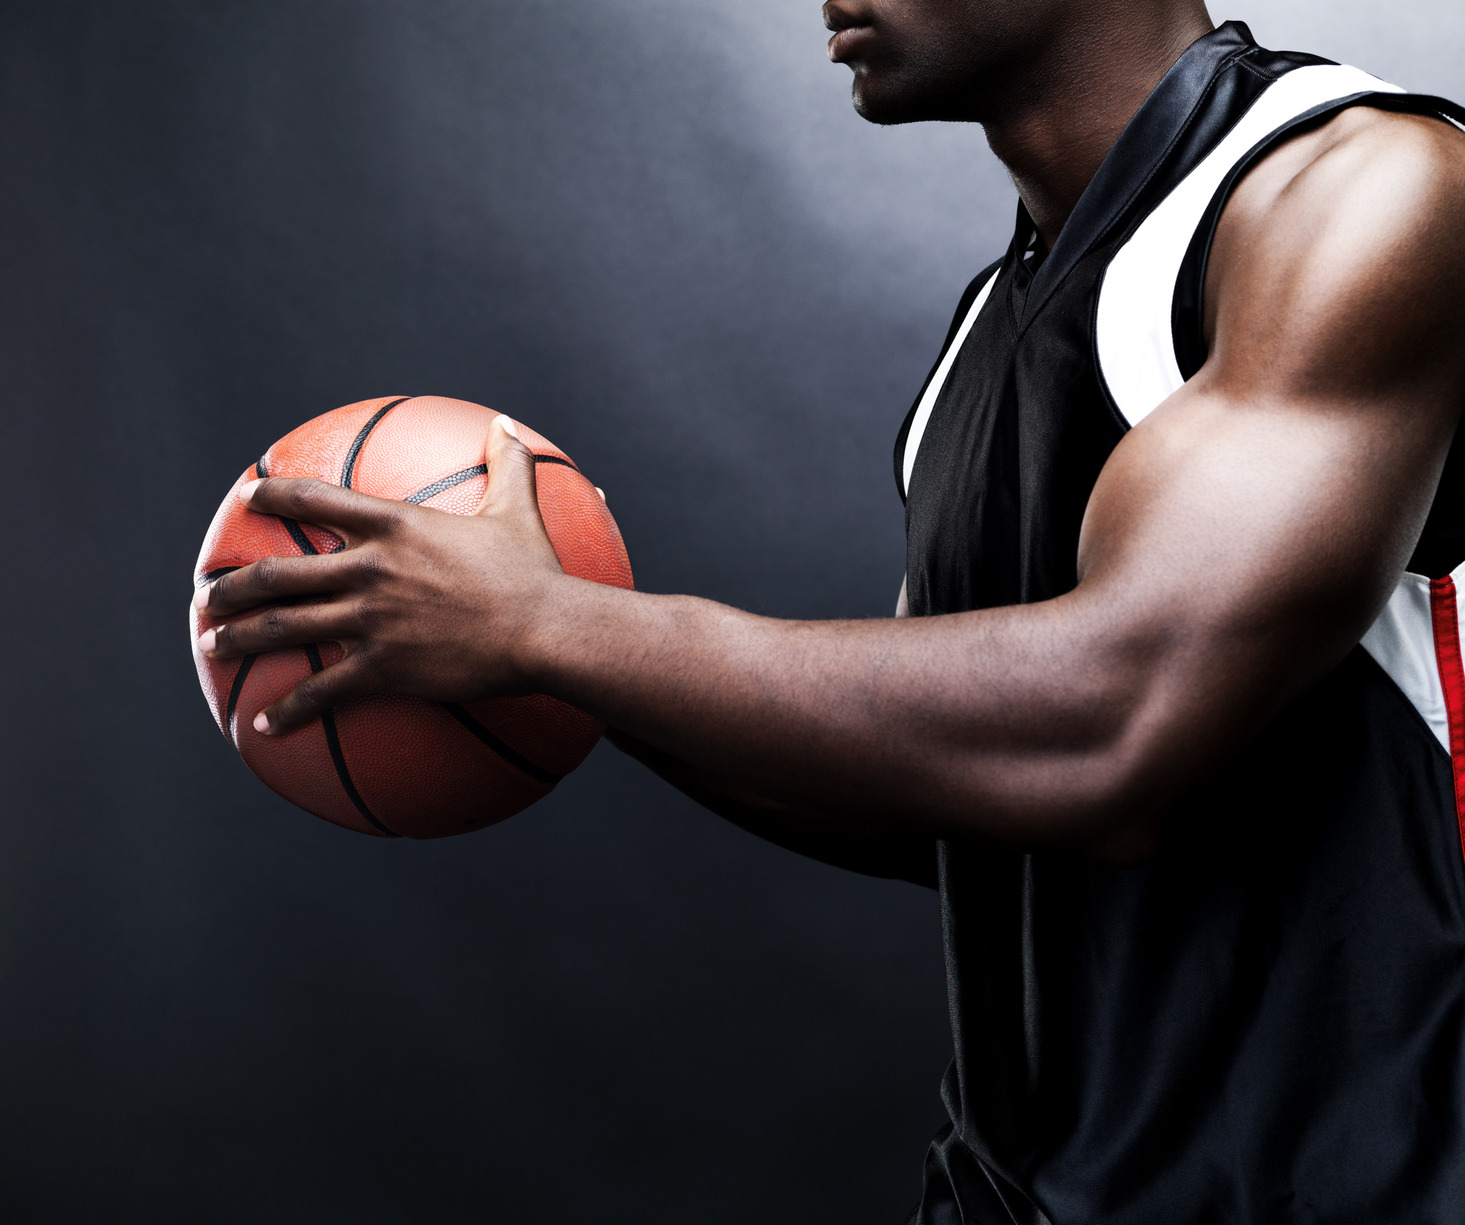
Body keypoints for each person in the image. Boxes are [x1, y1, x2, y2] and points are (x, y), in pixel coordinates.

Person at [192, 2, 1465, 1220]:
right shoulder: (983, 340)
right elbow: (933, 787)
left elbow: (1112, 729)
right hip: (1012, 1192)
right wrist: (555, 651)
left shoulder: (1357, 195)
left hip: (1332, 1184)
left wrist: (549, 629)